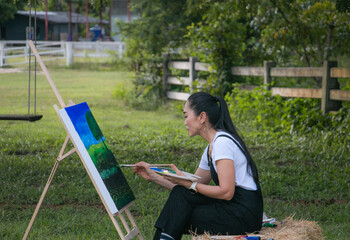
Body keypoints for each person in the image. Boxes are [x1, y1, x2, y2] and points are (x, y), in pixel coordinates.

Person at [133, 92, 263, 240]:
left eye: (186, 115)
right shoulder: (212, 146)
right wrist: (153, 176)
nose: (184, 122)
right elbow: (190, 189)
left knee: (178, 214)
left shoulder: (222, 144)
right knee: (180, 198)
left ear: (201, 117)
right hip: (231, 208)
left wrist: (188, 183)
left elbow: (226, 192)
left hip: (244, 215)